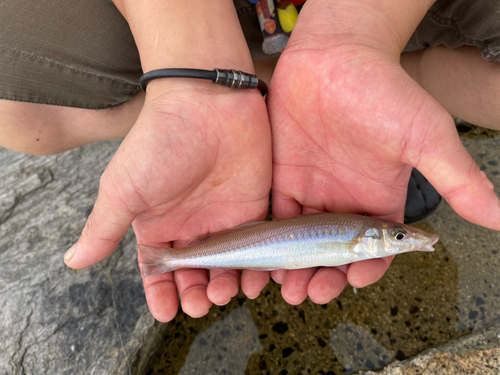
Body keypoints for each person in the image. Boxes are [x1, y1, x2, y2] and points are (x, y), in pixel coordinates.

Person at [0, 0, 499, 323]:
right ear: (368, 239)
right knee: (21, 117)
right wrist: (188, 70)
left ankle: (378, 90)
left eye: (396, 237)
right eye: (394, 237)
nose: (399, 238)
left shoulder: (359, 238)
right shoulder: (360, 240)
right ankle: (254, 79)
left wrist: (355, 37)